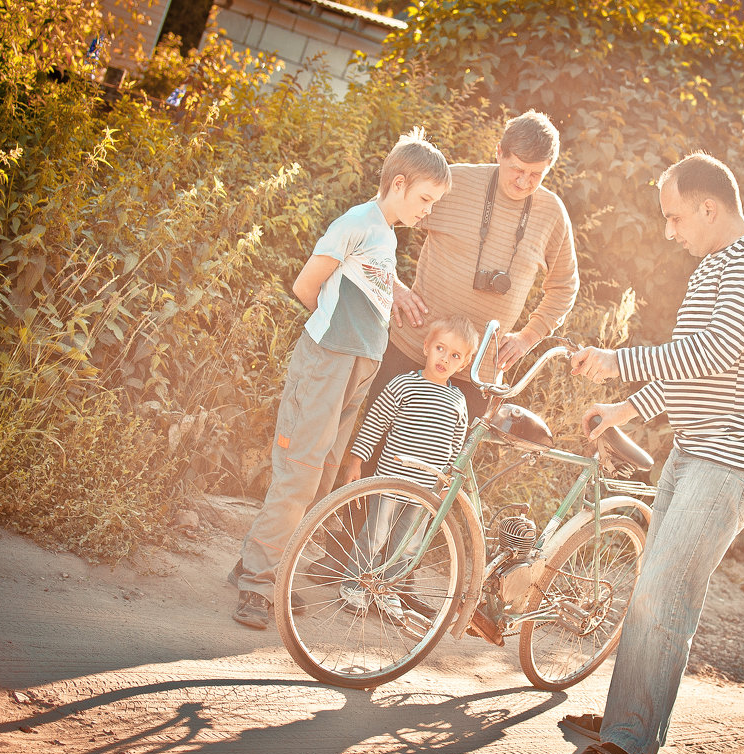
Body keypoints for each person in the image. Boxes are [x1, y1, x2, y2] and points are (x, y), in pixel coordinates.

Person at [563, 152, 744, 754]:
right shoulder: (711, 267)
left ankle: (632, 744)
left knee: (668, 590)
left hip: (735, 455)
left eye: (674, 218)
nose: (670, 232)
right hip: (697, 446)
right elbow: (687, 372)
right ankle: (623, 718)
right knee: (650, 586)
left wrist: (619, 361)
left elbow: (715, 353)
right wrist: (626, 408)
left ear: (708, 206)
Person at [230, 129, 451, 630]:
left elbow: (368, 278)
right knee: (300, 472)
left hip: (359, 368)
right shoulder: (356, 221)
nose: (427, 211)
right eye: (424, 199)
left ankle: (261, 567)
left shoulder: (386, 233)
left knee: (324, 474)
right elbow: (306, 286)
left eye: (434, 203)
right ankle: (256, 585)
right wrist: (329, 342)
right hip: (328, 361)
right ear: (398, 183)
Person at [368, 109, 579, 418]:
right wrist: (394, 290)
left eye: (536, 174)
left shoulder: (553, 213)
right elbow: (374, 222)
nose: (523, 182)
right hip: (413, 348)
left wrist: (529, 337)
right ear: (499, 152)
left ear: (549, 167)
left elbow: (564, 287)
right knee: (371, 453)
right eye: (517, 169)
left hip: (478, 374)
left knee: (445, 466)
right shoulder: (454, 182)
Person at [336, 315, 479, 616]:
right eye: (441, 348)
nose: (445, 358)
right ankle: (355, 585)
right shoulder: (404, 385)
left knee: (408, 545)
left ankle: (387, 591)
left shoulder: (458, 401)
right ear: (427, 346)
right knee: (375, 537)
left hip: (425, 492)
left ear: (464, 363)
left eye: (455, 355)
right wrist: (356, 461)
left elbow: (456, 447)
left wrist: (446, 488)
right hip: (390, 481)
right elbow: (374, 423)